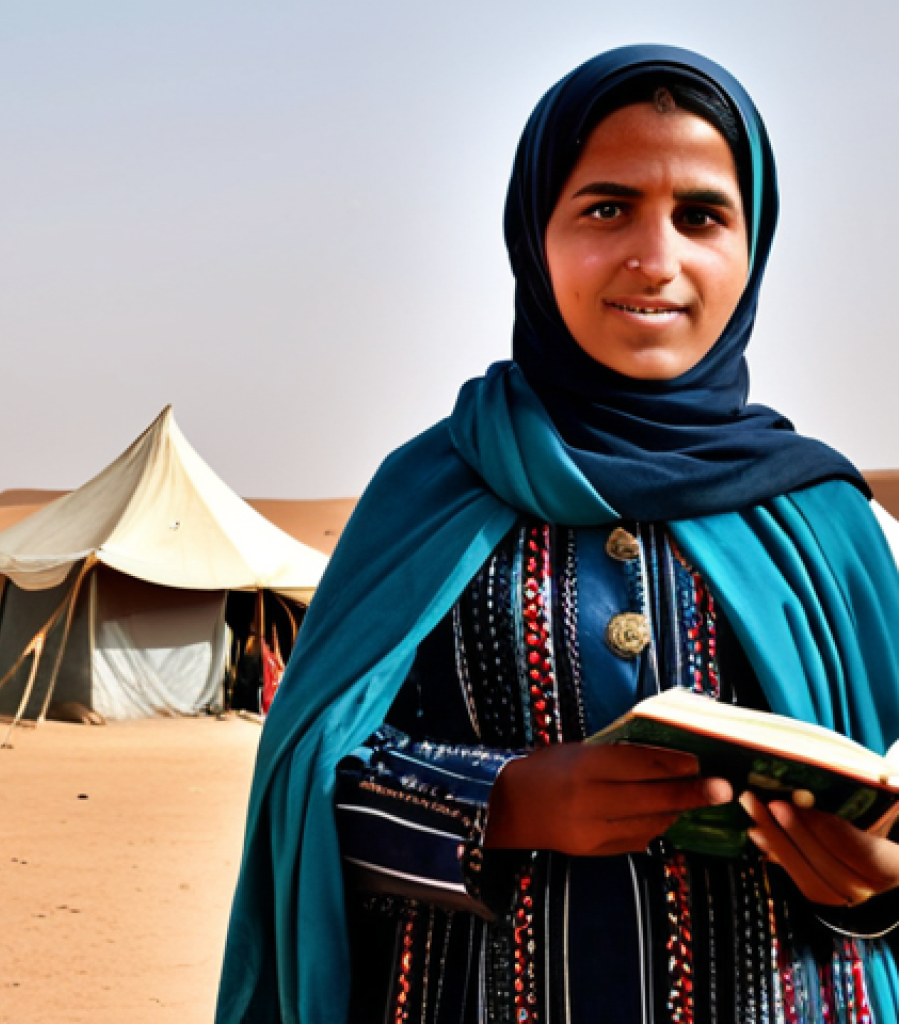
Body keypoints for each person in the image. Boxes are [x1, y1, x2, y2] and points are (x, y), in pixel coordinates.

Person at [216, 45, 899, 1023]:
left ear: (752, 248)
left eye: (701, 215)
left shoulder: (824, 518)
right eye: (605, 207)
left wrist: (877, 882)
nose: (654, 259)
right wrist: (503, 802)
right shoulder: (434, 488)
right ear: (533, 234)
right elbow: (301, 796)